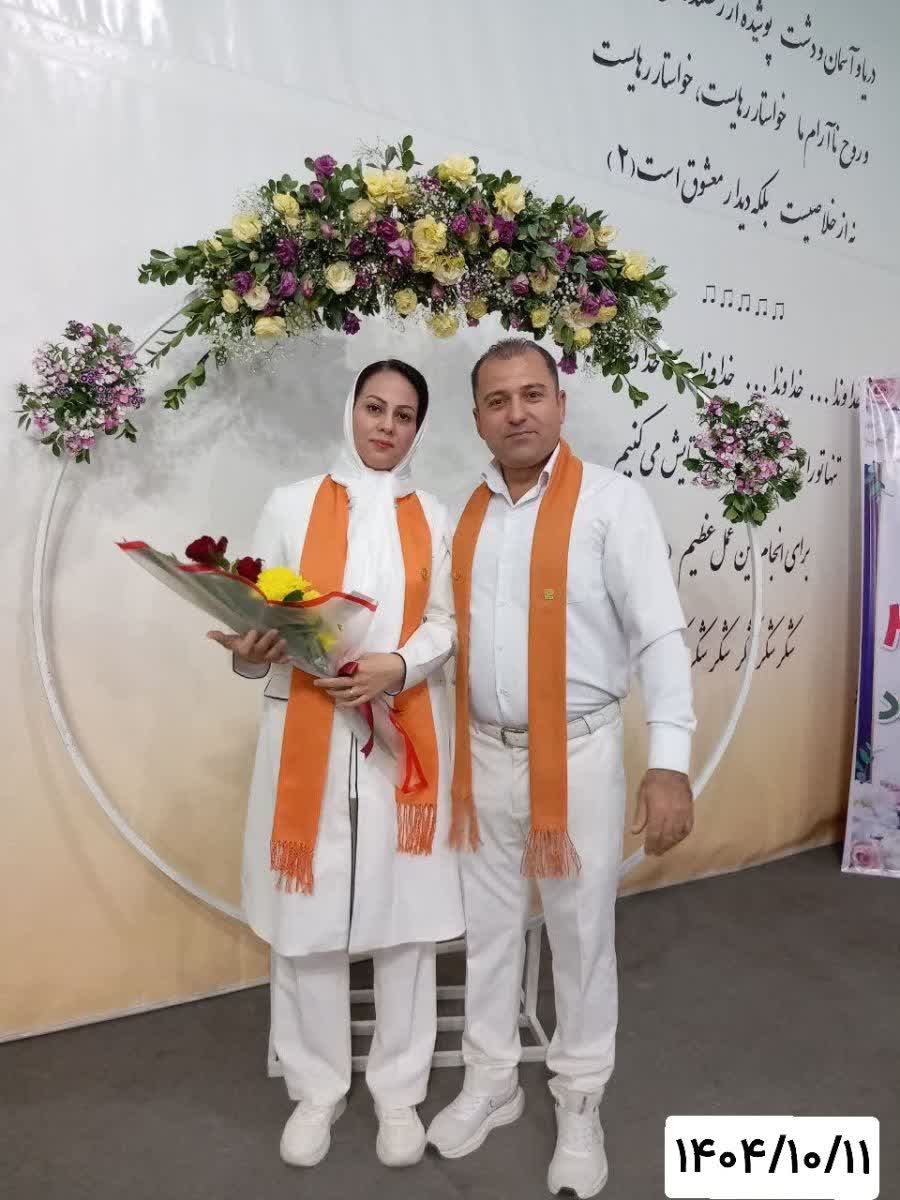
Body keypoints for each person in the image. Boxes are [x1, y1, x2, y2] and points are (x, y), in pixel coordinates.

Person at [426, 339, 696, 1198]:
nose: (517, 413)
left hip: (579, 756)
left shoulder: (613, 503)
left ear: (560, 403)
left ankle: (580, 1102)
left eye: (532, 394)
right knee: (488, 931)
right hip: (483, 755)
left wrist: (669, 762)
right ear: (477, 418)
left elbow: (659, 635)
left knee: (580, 936)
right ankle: (492, 1081)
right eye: (497, 400)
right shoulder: (463, 514)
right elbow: (439, 631)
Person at [208, 360, 463, 1170]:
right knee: (307, 916)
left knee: (405, 920)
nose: (386, 426)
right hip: (307, 730)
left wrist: (398, 664)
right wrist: (250, 650)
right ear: (350, 410)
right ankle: (316, 1087)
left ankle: (398, 1090)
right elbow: (259, 613)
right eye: (374, 408)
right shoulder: (289, 504)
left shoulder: (436, 515)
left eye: (404, 415)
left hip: (403, 730)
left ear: (420, 427)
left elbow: (448, 620)